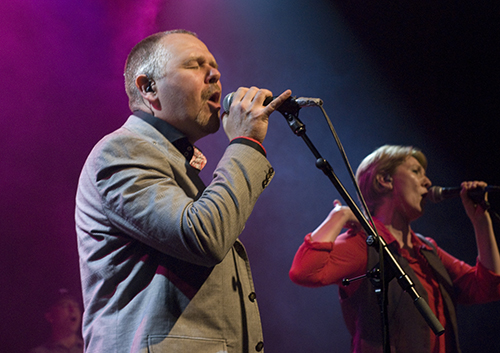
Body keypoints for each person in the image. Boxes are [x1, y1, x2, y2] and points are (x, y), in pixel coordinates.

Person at [75, 29, 291, 353]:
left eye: (214, 65)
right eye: (195, 65)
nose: (215, 74)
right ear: (148, 87)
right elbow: (204, 236)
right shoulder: (121, 151)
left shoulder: (174, 161)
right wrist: (245, 143)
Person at [289, 145, 500, 353]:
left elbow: (488, 287)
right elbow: (305, 271)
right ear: (385, 180)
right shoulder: (364, 243)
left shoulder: (426, 249)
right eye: (416, 171)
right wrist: (340, 215)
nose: (428, 182)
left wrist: (481, 221)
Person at [30, 289, 83, 353]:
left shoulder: (91, 347)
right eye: (65, 305)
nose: (72, 309)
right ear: (50, 316)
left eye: (75, 305)